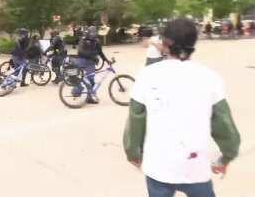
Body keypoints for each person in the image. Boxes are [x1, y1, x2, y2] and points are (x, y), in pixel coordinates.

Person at [123, 18, 241, 197]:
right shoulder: (210, 77)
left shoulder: (147, 75)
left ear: (164, 43)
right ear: (194, 43)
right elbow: (224, 125)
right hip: (196, 168)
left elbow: (135, 119)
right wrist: (226, 157)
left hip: (158, 167)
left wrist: (133, 153)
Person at [74, 26, 111, 104]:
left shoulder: (97, 41)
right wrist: (92, 57)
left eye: (94, 34)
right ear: (88, 33)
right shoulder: (83, 39)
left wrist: (107, 60)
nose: (93, 36)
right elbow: (80, 52)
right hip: (81, 61)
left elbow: (100, 52)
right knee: (81, 79)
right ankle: (76, 92)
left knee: (91, 80)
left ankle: (90, 97)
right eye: (92, 34)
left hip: (91, 63)